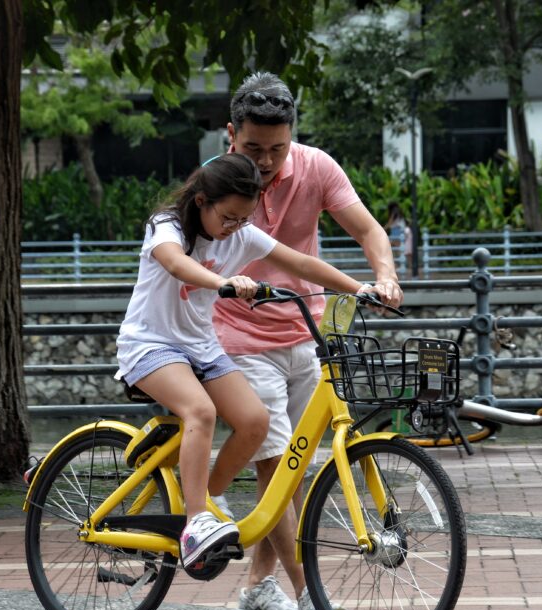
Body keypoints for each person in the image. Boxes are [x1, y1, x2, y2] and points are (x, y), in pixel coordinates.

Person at [210, 72, 403, 610]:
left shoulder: (317, 167)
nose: (266, 161)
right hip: (238, 338)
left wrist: (384, 277)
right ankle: (308, 592)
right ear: (231, 136)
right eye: (253, 149)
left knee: (291, 473)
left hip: (306, 332)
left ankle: (256, 589)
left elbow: (368, 229)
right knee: (277, 463)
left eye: (277, 148)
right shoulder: (218, 181)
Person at [114, 153, 368, 573]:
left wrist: (362, 288)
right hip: (150, 344)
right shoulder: (166, 225)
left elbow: (302, 263)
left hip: (200, 346)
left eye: (242, 219)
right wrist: (223, 282)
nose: (234, 228)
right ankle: (196, 522)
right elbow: (177, 263)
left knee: (255, 421)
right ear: (201, 201)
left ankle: (206, 497)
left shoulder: (242, 234)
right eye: (228, 217)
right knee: (201, 411)